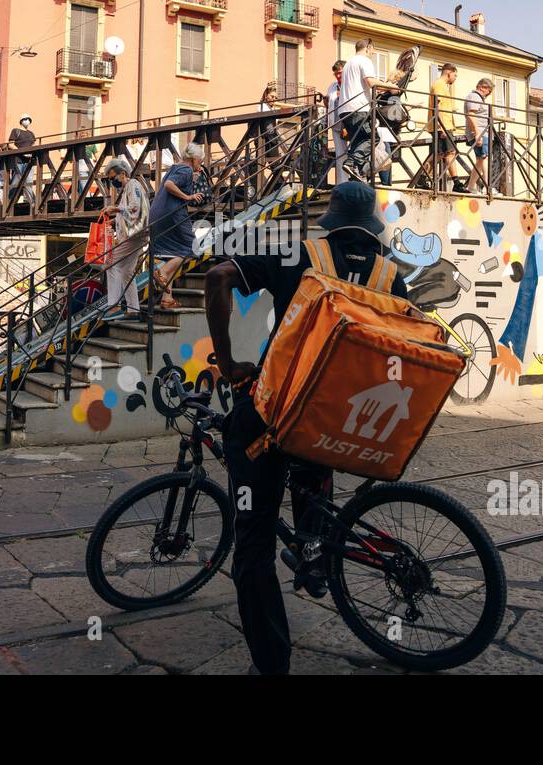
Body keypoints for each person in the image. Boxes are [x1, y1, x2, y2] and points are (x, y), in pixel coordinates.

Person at [204, 181, 410, 676]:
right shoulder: (391, 277)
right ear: (373, 227)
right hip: (341, 420)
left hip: (275, 414)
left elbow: (216, 277)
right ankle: (314, 552)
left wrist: (231, 362)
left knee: (252, 547)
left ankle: (272, 664)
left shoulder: (300, 256)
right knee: (315, 462)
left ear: (332, 219)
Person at [149, 143, 206, 309]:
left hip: (157, 214)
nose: (200, 165)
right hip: (172, 214)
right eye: (200, 162)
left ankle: (167, 298)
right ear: (194, 159)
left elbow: (172, 183)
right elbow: (169, 186)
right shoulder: (186, 170)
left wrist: (193, 179)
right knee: (192, 249)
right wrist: (188, 197)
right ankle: (163, 272)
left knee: (173, 253)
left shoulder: (176, 168)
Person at [337, 39, 402, 185]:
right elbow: (371, 82)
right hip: (359, 108)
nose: (373, 53)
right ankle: (352, 163)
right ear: (368, 48)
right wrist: (390, 86)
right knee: (372, 138)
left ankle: (356, 175)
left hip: (345, 109)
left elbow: (365, 86)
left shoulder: (348, 64)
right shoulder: (364, 61)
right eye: (373, 50)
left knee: (358, 141)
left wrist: (384, 87)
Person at [100, 157, 148, 322]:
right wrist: (115, 219)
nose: (112, 181)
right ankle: (133, 310)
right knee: (127, 272)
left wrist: (115, 208)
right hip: (136, 235)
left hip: (134, 235)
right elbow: (130, 212)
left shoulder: (132, 185)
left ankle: (114, 305)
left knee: (109, 261)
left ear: (123, 173)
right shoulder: (129, 187)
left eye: (113, 178)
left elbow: (134, 208)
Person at [429, 64, 466, 193]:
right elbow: (437, 106)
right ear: (449, 73)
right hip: (443, 125)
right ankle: (456, 182)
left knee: (439, 154)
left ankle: (422, 178)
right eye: (455, 75)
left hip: (442, 125)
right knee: (449, 153)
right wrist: (441, 127)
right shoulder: (440, 85)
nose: (455, 78)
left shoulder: (441, 85)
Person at [463, 78, 495, 194]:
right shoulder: (475, 97)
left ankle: (471, 186)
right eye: (489, 91)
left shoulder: (476, 97)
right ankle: (488, 187)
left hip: (482, 132)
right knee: (484, 158)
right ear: (482, 87)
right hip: (481, 132)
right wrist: (477, 134)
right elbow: (471, 114)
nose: (489, 94)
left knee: (480, 160)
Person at [325, 60, 347, 184]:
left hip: (349, 122)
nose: (338, 76)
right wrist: (326, 100)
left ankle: (358, 180)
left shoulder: (350, 84)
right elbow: (329, 102)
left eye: (340, 73)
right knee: (340, 154)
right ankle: (342, 182)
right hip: (336, 123)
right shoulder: (332, 86)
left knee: (355, 152)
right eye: (336, 74)